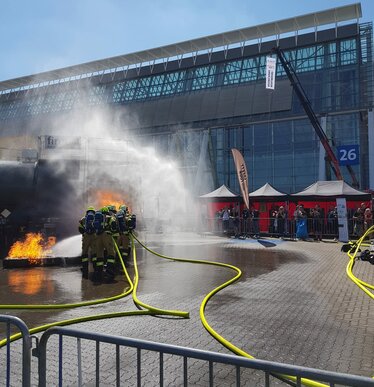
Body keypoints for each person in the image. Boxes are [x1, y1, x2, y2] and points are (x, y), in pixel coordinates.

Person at [93, 206, 117, 283]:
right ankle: (109, 275)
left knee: (99, 255)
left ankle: (98, 275)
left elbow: (93, 226)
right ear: (107, 212)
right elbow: (114, 226)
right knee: (111, 254)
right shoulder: (110, 217)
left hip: (97, 237)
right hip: (107, 235)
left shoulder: (96, 218)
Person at [78, 206, 97, 279]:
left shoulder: (83, 219)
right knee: (95, 253)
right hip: (94, 237)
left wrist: (84, 233)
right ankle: (96, 270)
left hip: (86, 237)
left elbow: (80, 228)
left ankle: (85, 270)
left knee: (85, 253)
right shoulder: (95, 218)